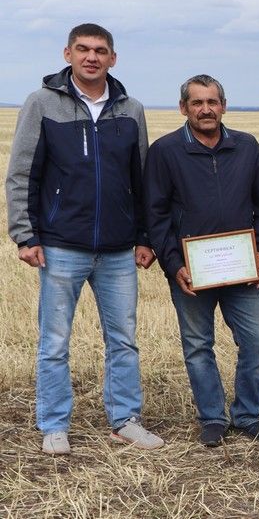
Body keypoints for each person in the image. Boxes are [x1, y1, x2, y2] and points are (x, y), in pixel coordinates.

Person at [5, 23, 163, 454]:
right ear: (68, 54)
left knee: (124, 339)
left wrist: (145, 236)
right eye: (83, 49)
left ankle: (125, 419)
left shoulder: (131, 109)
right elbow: (22, 173)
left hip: (117, 250)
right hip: (59, 246)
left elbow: (141, 177)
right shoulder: (42, 103)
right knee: (54, 341)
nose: (91, 57)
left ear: (113, 58)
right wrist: (25, 234)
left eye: (100, 51)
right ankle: (54, 425)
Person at [145, 74, 259, 447]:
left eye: (213, 102)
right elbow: (155, 218)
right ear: (183, 107)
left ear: (223, 105)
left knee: (258, 340)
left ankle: (248, 415)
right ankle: (212, 419)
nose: (206, 109)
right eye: (197, 102)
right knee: (198, 345)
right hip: (191, 272)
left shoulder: (247, 147)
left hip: (241, 271)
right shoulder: (166, 151)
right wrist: (175, 265)